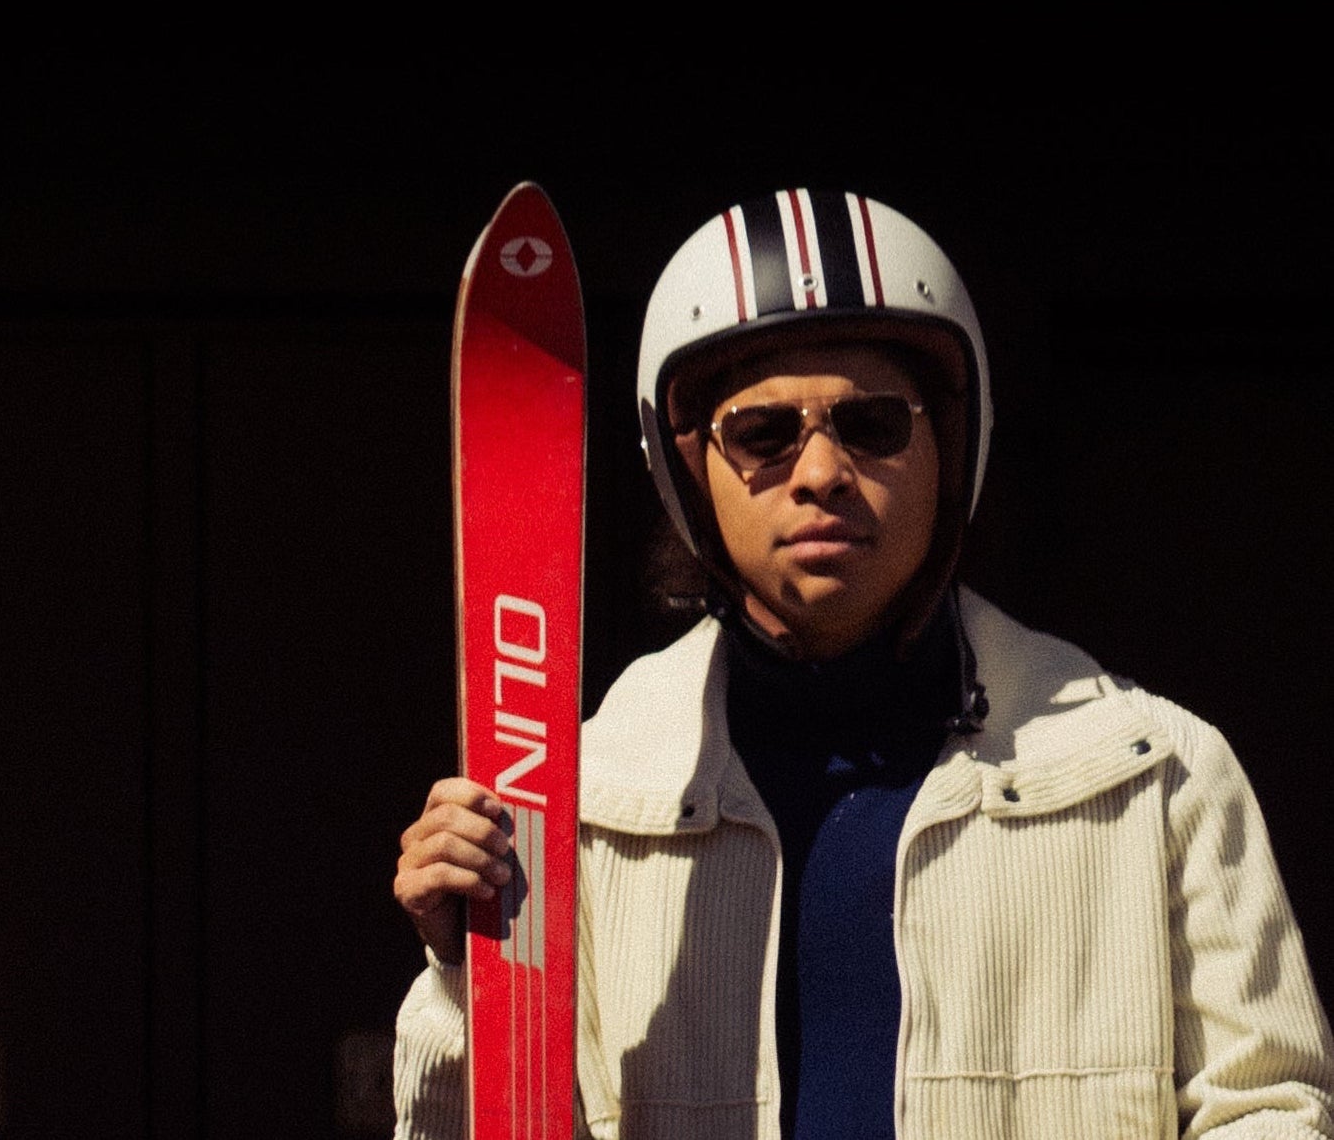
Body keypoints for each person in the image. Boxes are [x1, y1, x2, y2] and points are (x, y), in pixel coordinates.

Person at [389, 190, 1334, 1135]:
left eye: (874, 423)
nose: (821, 471)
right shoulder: (582, 809)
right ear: (688, 471)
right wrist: (468, 979)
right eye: (763, 434)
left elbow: (1271, 1108)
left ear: (950, 447)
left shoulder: (1155, 774)